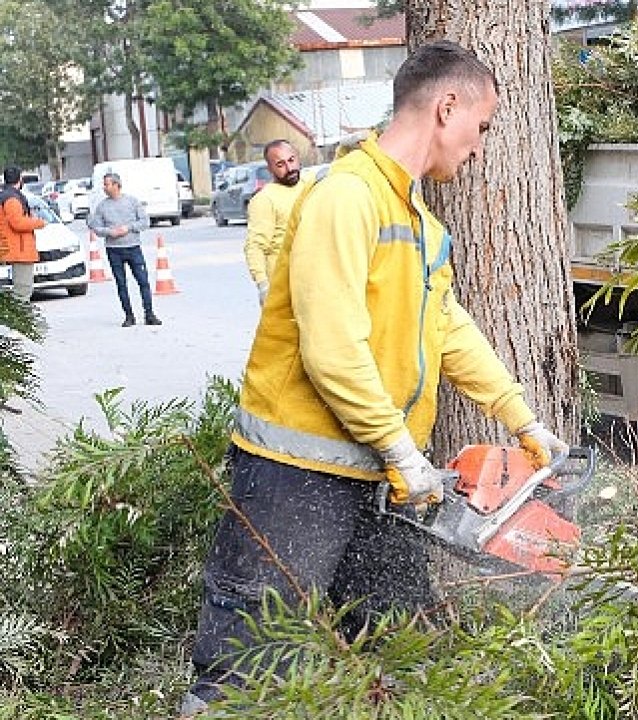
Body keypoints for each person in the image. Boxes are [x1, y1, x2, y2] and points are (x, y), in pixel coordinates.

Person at [179, 40, 569, 716]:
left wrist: (521, 419)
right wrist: (400, 450)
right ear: (447, 107)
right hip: (292, 473)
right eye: (481, 127)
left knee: (403, 645)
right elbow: (331, 346)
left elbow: (448, 328)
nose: (479, 147)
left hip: (378, 474)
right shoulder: (346, 198)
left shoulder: (419, 223)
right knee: (252, 659)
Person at [87, 173, 161, 327]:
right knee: (121, 283)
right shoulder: (102, 206)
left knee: (143, 281)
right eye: (104, 184)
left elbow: (144, 222)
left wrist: (129, 228)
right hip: (114, 250)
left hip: (133, 247)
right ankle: (129, 315)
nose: (104, 187)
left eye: (107, 184)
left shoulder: (132, 202)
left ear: (116, 185)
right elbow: (95, 227)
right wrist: (109, 232)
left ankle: (149, 313)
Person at [244, 139, 305, 305]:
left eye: (291, 160)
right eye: (280, 164)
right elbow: (255, 246)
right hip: (283, 287)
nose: (289, 168)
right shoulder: (264, 199)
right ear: (270, 169)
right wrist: (263, 285)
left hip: (312, 282)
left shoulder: (309, 187)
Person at [0, 166, 46, 302]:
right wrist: (39, 223)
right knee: (23, 291)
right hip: (19, 250)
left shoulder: (6, 196)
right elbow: (17, 223)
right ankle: (20, 322)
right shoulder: (12, 199)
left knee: (21, 290)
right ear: (20, 180)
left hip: (14, 249)